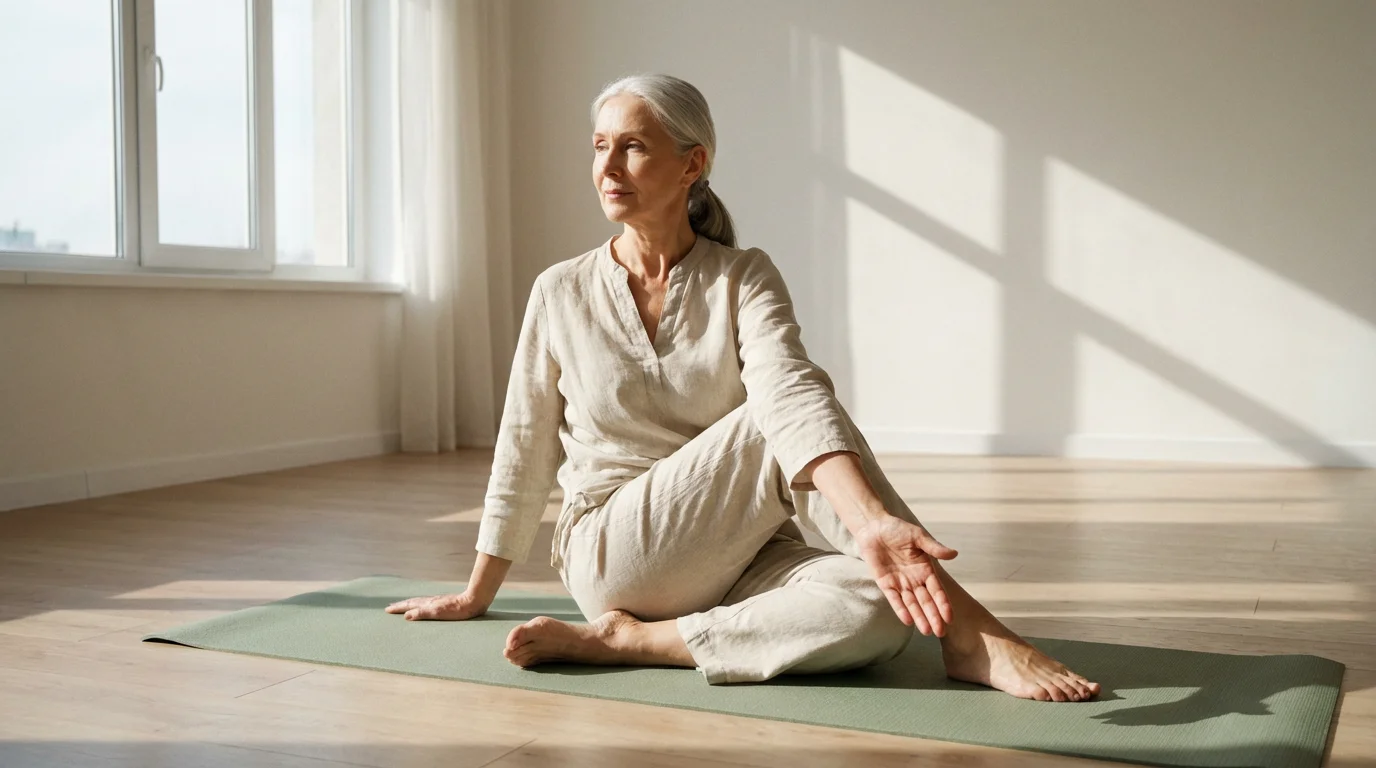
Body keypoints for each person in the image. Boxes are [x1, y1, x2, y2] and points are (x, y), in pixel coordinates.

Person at [386, 74, 1100, 702]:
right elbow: (523, 444)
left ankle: (636, 642)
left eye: (632, 147)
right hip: (612, 551)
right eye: (600, 146)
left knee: (882, 607)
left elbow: (787, 386)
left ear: (691, 163)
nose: (607, 166)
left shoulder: (743, 275)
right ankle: (968, 628)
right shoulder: (560, 290)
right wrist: (476, 592)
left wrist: (865, 532)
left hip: (734, 554)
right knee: (782, 413)